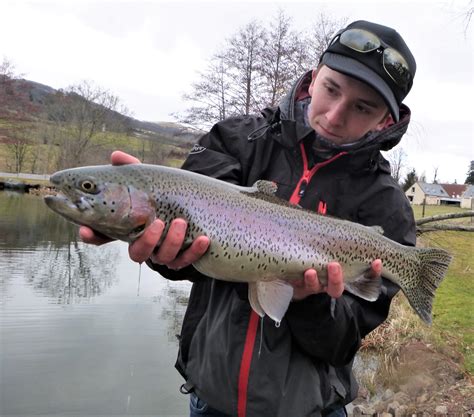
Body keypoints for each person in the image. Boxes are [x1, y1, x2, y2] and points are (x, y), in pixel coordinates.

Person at [81, 20, 417, 417]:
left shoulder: (387, 205)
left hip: (311, 410)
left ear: (385, 121)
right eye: (332, 89)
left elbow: (342, 344)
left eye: (363, 108)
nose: (336, 114)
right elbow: (189, 260)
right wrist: (154, 236)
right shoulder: (235, 139)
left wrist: (306, 301)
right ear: (313, 79)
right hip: (210, 398)